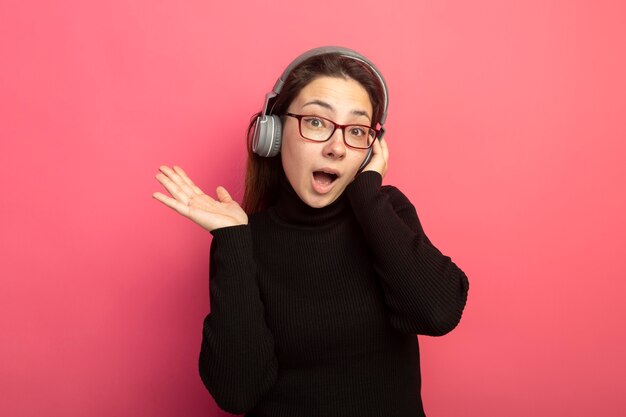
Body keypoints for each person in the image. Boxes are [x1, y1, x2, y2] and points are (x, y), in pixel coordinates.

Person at [153, 46, 469, 417]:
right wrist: (234, 240)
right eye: (317, 122)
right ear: (273, 133)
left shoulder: (386, 212)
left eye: (356, 130)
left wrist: (367, 190)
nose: (337, 148)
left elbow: (437, 313)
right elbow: (237, 392)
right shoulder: (242, 240)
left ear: (370, 150)